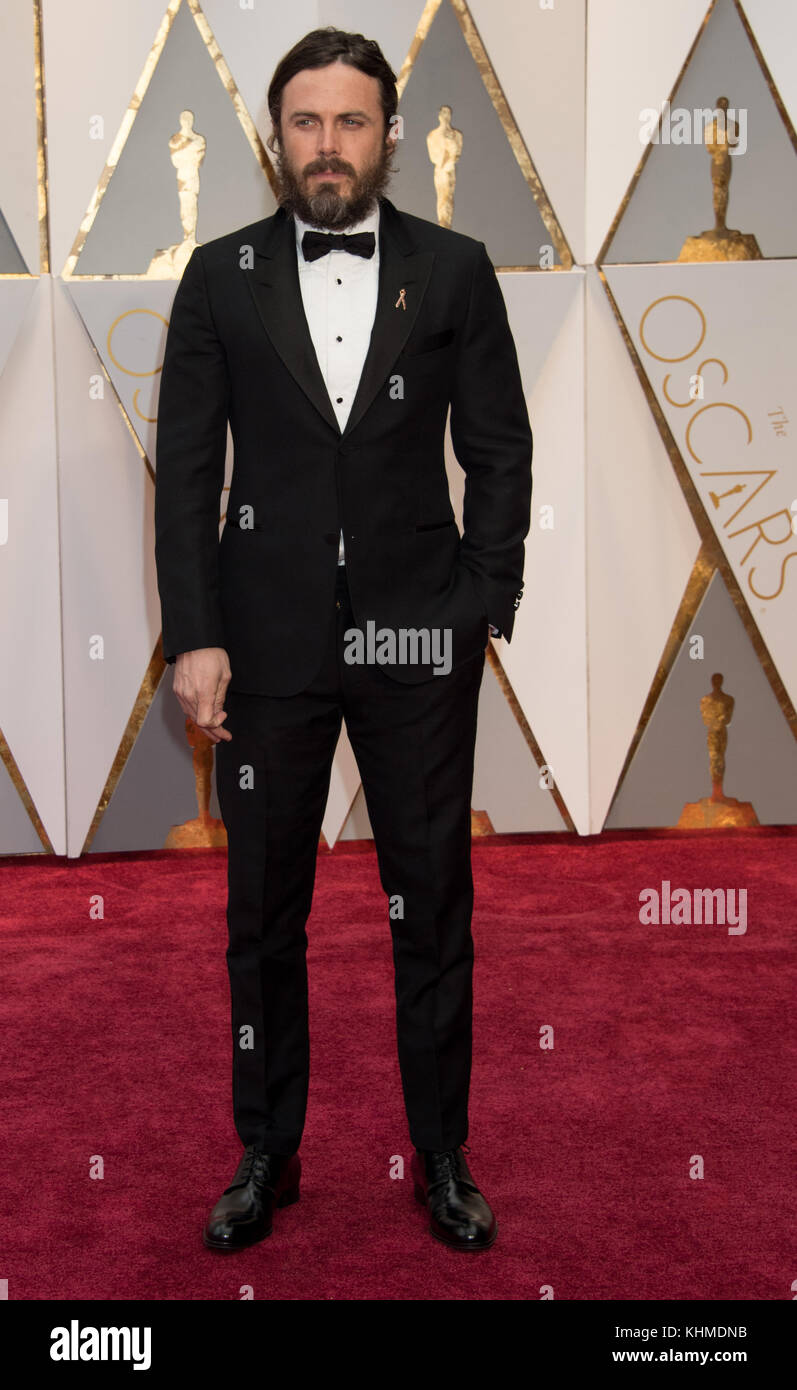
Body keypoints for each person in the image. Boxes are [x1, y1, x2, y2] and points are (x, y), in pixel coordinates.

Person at [154, 26, 532, 1254]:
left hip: (419, 642)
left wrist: (478, 603)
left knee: (430, 902)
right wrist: (195, 636)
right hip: (262, 650)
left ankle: (440, 1153)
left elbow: (499, 450)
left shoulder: (457, 271)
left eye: (351, 121)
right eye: (306, 122)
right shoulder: (218, 276)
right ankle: (268, 1149)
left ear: (387, 133)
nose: (327, 146)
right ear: (278, 137)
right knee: (262, 911)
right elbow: (188, 475)